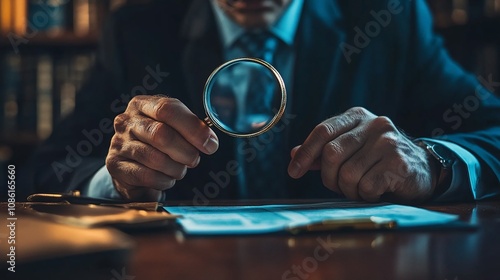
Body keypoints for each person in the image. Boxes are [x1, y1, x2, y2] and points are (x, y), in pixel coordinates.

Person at [24, 0, 500, 204]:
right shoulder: (138, 29)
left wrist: (431, 163)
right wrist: (115, 177)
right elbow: (28, 174)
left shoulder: (388, 18)